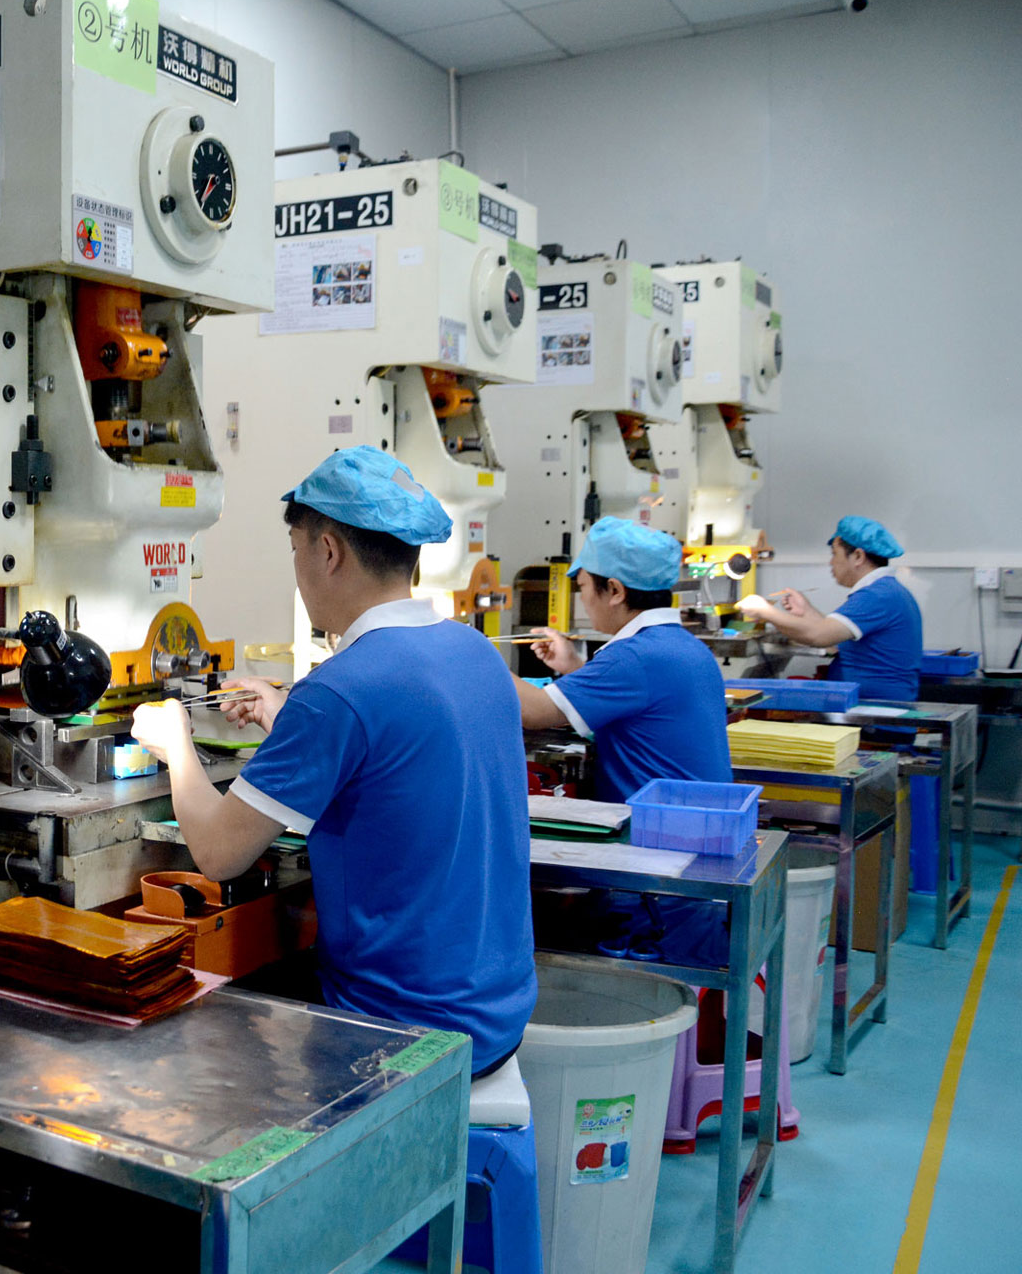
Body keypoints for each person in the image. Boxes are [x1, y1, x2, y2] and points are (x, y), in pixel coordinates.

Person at [129, 448, 536, 1077]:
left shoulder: (339, 691)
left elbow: (218, 852)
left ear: (327, 550)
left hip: (399, 1028)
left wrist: (175, 743)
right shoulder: (474, 652)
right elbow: (396, 752)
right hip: (498, 1012)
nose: (298, 570)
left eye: (295, 550)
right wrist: (287, 717)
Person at [511, 517, 732, 803]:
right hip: (696, 815)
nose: (583, 599)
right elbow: (635, 701)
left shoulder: (633, 657)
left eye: (583, 587)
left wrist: (475, 650)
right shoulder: (684, 646)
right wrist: (574, 668)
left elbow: (535, 713)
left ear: (615, 591)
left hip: (660, 823)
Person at [736, 515, 922, 701]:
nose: (831, 562)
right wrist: (806, 611)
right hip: (870, 703)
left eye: (834, 554)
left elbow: (819, 636)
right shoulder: (886, 590)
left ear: (858, 556)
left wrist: (765, 611)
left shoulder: (877, 595)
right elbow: (834, 635)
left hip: (877, 710)